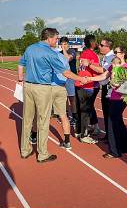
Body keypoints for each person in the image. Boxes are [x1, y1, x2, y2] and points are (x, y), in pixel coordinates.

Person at [18, 28, 86, 163]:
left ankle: (25, 150)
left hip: (28, 86)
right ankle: (42, 154)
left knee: (27, 119)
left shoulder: (30, 48)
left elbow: (21, 64)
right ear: (49, 38)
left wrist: (20, 79)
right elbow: (65, 72)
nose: (57, 41)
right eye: (56, 38)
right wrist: (81, 78)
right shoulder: (50, 53)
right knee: (43, 121)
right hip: (42, 88)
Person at [88, 46, 127, 158]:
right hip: (113, 97)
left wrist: (117, 85)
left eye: (116, 52)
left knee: (112, 123)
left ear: (123, 54)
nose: (114, 54)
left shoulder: (126, 68)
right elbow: (104, 76)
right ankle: (125, 147)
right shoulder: (114, 65)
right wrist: (90, 79)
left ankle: (115, 151)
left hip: (120, 99)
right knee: (118, 122)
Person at [86, 38, 115, 140]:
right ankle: (108, 135)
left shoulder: (111, 57)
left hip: (109, 87)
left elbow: (104, 71)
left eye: (102, 45)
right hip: (105, 86)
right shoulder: (106, 56)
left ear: (108, 47)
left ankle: (111, 136)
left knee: (108, 113)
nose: (99, 46)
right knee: (106, 112)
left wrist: (89, 64)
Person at [74, 34, 100, 144]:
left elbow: (80, 68)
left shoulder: (82, 54)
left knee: (83, 109)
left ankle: (81, 130)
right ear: (93, 43)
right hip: (88, 85)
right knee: (85, 110)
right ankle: (84, 134)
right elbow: (98, 70)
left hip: (79, 84)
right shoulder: (92, 55)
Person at [60, 36, 78, 126]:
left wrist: (64, 50)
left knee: (72, 98)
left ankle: (75, 117)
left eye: (65, 44)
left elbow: (67, 59)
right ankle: (66, 115)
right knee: (63, 98)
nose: (64, 46)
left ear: (68, 44)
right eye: (62, 44)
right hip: (62, 78)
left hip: (71, 77)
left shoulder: (72, 51)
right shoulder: (59, 53)